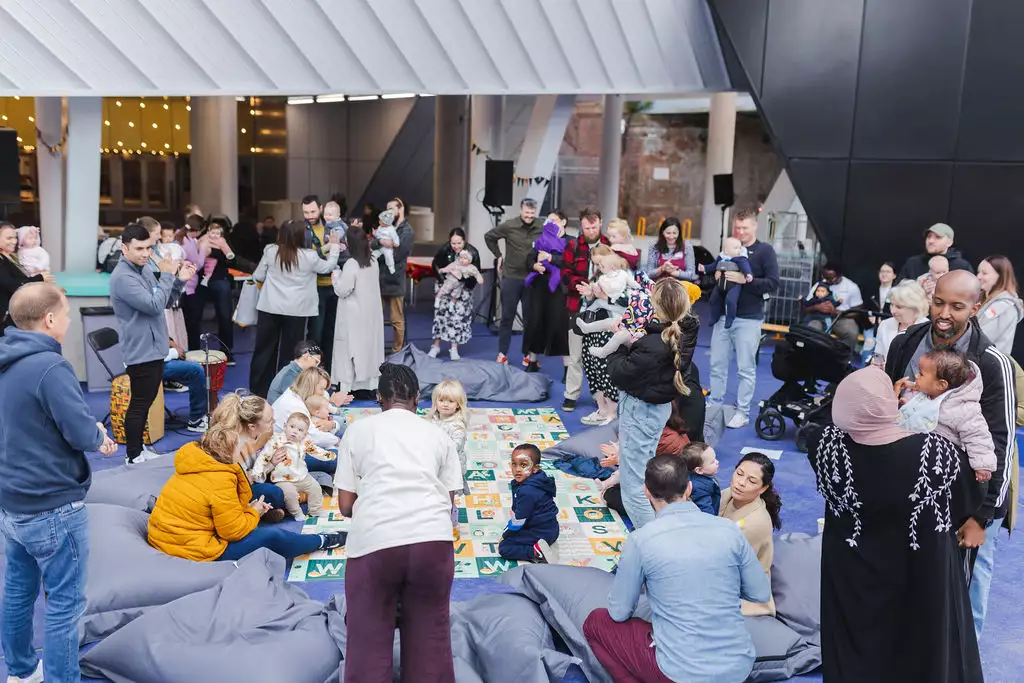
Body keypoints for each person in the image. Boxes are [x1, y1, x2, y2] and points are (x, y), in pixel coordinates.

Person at [808, 367, 983, 683]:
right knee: (916, 650)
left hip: (851, 575)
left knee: (855, 648)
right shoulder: (934, 452)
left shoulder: (824, 445)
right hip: (918, 574)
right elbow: (965, 503)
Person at [883, 270, 1014, 638]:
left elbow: (1000, 444)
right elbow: (887, 407)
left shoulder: (991, 363)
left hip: (964, 500)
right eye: (939, 302)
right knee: (911, 578)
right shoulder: (906, 343)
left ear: (976, 307)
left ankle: (961, 663)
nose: (944, 313)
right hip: (908, 491)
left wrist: (982, 517)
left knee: (966, 588)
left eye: (957, 306)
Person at [0, 283, 117, 683]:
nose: (67, 321)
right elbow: (79, 431)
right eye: (65, 314)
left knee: (18, 594)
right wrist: (99, 436)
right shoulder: (50, 367)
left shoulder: (6, 359)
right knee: (65, 604)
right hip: (52, 504)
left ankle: (19, 672)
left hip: (12, 501)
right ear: (50, 319)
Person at [583, 455, 771, 683]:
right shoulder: (729, 530)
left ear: (646, 492)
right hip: (739, 666)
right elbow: (760, 593)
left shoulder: (641, 540)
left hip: (679, 672)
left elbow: (619, 612)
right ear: (689, 487)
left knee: (596, 622)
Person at [335, 363, 463, 683]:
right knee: (430, 641)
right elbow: (448, 503)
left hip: (375, 542)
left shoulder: (358, 431)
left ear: (379, 397)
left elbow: (346, 506)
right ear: (418, 398)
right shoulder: (438, 434)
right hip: (432, 542)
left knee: (367, 643)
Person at [147, 394, 345, 562]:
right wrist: (253, 513)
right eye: (269, 421)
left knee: (273, 494)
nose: (273, 424)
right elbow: (233, 532)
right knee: (272, 536)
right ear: (250, 427)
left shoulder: (206, 452)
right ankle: (324, 540)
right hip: (189, 547)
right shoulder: (222, 474)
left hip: (176, 534)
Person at [607, 278, 697, 529]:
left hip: (641, 410)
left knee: (633, 488)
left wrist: (620, 344)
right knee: (645, 471)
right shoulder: (684, 331)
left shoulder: (653, 344)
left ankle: (653, 542)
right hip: (656, 409)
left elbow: (619, 372)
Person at [110, 223, 196, 464]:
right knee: (139, 404)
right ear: (124, 248)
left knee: (145, 402)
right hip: (140, 350)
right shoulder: (123, 278)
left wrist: (179, 281)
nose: (145, 254)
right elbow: (154, 305)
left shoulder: (143, 268)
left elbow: (164, 300)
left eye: (148, 248)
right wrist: (167, 275)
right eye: (139, 249)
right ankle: (133, 455)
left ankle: (138, 451)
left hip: (154, 347)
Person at [249, 219, 340, 399]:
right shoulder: (309, 256)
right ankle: (286, 390)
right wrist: (335, 247)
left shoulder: (270, 250)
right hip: (297, 310)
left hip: (270, 307)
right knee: (291, 353)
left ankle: (259, 389)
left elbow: (258, 275)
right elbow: (328, 267)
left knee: (264, 349)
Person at [708, 209, 780, 429]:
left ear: (755, 227)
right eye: (737, 227)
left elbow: (773, 283)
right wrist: (717, 276)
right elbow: (714, 274)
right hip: (723, 316)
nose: (740, 231)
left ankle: (743, 411)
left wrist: (745, 280)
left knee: (745, 368)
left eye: (744, 227)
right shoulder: (728, 248)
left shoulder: (765, 251)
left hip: (749, 318)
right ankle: (714, 405)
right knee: (716, 365)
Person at [895, 349, 994, 482]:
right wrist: (904, 405)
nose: (916, 376)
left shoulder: (964, 409)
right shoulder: (927, 392)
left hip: (937, 463)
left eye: (921, 374)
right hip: (911, 455)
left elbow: (977, 436)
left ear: (941, 384)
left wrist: (983, 465)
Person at [720, 452, 781, 617]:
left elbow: (729, 566)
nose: (741, 483)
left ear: (763, 488)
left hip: (745, 590)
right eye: (739, 474)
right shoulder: (727, 494)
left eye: (751, 480)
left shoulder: (755, 522)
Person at [485, 198, 544, 364]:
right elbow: (489, 237)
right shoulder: (509, 225)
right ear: (521, 211)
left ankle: (528, 355)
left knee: (530, 320)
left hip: (532, 279)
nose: (529, 216)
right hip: (511, 277)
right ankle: (502, 354)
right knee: (507, 318)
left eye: (532, 213)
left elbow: (554, 240)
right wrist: (498, 255)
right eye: (526, 213)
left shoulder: (541, 226)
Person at [562, 207, 608, 412]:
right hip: (577, 305)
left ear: (600, 222)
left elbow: (619, 272)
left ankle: (600, 395)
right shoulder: (572, 245)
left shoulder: (609, 246)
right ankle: (571, 395)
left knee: (601, 354)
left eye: (594, 226)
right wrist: (579, 286)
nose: (590, 231)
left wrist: (598, 288)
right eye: (586, 227)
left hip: (603, 308)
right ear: (581, 225)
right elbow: (565, 273)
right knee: (575, 354)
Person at [577, 246, 630, 425]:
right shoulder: (599, 277)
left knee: (605, 371)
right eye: (596, 264)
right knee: (591, 368)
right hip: (592, 327)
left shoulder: (623, 277)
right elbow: (590, 300)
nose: (599, 268)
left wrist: (604, 297)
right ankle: (601, 408)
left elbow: (627, 301)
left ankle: (612, 412)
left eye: (601, 263)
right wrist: (590, 295)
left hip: (610, 330)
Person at [331, 225, 384, 395]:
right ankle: (369, 386)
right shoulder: (373, 261)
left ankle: (347, 387)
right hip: (371, 314)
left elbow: (343, 290)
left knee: (349, 350)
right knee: (369, 350)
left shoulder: (351, 264)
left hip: (352, 316)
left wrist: (335, 277)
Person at [251, 413, 328, 521]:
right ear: (285, 426)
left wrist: (328, 455)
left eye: (300, 430)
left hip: (301, 476)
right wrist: (257, 472)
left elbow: (316, 451)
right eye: (292, 427)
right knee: (289, 494)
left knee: (315, 488)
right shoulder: (277, 441)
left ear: (305, 434)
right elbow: (264, 457)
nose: (295, 431)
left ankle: (315, 510)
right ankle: (296, 512)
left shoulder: (304, 442)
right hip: (283, 479)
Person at [522, 211, 571, 372]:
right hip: (539, 287)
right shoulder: (541, 237)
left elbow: (570, 262)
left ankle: (567, 368)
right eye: (548, 220)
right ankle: (532, 361)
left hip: (560, 289)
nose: (550, 222)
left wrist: (551, 258)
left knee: (560, 325)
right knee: (535, 322)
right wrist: (534, 265)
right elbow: (530, 258)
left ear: (563, 222)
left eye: (554, 220)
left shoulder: (571, 242)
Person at [499, 443, 559, 563]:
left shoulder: (527, 491)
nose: (517, 470)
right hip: (552, 528)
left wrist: (505, 535)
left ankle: (536, 553)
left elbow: (519, 520)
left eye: (523, 465)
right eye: (514, 464)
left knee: (504, 548)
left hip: (541, 532)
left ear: (535, 468)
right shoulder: (538, 479)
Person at [429, 228, 483, 359]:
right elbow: (435, 264)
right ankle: (435, 346)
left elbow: (476, 274)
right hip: (445, 284)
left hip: (462, 289)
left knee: (457, 318)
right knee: (440, 315)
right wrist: (443, 280)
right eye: (453, 243)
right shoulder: (444, 249)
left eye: (459, 243)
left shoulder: (473, 252)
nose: (456, 246)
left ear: (464, 241)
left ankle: (454, 348)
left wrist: (462, 279)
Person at [299, 195, 338, 365]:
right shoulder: (302, 231)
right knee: (315, 332)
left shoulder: (335, 226)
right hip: (314, 287)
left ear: (321, 208)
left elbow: (344, 253)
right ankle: (311, 369)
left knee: (332, 332)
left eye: (313, 211)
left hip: (335, 286)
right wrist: (328, 248)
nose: (309, 215)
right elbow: (306, 259)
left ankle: (329, 369)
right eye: (306, 212)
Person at [430, 378, 469, 538]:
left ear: (458, 404)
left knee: (449, 497)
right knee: (435, 494)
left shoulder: (457, 424)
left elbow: (456, 445)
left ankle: (452, 525)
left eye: (450, 401)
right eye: (441, 400)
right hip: (435, 464)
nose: (445, 404)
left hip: (452, 467)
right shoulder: (433, 419)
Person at [377, 197, 414, 353]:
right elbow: (375, 248)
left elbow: (398, 254)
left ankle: (397, 351)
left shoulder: (407, 231)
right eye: (387, 208)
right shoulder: (385, 227)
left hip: (396, 280)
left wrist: (385, 246)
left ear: (400, 209)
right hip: (380, 279)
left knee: (396, 320)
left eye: (392, 208)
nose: (388, 212)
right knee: (375, 319)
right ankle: (376, 349)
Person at [272, 367, 341, 450]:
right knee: (338, 454)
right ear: (310, 386)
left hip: (294, 440)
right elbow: (314, 437)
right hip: (286, 448)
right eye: (321, 389)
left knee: (340, 422)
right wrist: (337, 440)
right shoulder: (296, 406)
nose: (323, 393)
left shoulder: (294, 392)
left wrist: (332, 425)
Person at [0, 222, 52, 329]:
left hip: (15, 315)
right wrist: (39, 278)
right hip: (5, 321)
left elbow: (21, 280)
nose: (13, 241)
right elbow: (10, 284)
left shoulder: (11, 256)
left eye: (15, 237)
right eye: (9, 238)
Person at [976, 254, 1023, 355]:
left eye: (984, 273)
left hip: (988, 366)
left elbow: (983, 338)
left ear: (1000, 276)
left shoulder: (1005, 307)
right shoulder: (980, 299)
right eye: (978, 272)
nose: (978, 276)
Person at [873, 280, 929, 364]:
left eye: (899, 307)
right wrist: (877, 363)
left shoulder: (927, 330)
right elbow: (878, 355)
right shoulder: (885, 325)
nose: (893, 311)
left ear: (914, 307)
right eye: (891, 304)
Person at [897, 223, 973, 282]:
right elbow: (898, 292)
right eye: (929, 236)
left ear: (949, 242)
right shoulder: (913, 263)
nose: (930, 241)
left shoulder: (962, 267)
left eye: (938, 237)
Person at [164, 336, 209, 432]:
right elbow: (149, 356)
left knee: (188, 362)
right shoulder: (140, 323)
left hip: (156, 360)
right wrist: (175, 352)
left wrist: (171, 342)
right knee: (196, 371)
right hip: (148, 366)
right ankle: (196, 420)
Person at [710, 236, 753, 329]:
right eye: (735, 248)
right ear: (726, 250)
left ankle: (730, 318)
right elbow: (714, 266)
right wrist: (705, 268)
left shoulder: (740, 258)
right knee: (713, 299)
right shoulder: (721, 257)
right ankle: (714, 316)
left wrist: (748, 274)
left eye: (739, 248)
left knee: (730, 301)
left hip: (733, 286)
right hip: (720, 284)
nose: (738, 250)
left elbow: (745, 266)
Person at [267, 340, 322, 406]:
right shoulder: (289, 374)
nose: (317, 366)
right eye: (316, 362)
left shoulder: (294, 371)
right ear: (307, 356)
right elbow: (299, 401)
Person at [644, 216, 698, 282]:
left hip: (681, 287)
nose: (671, 237)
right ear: (662, 232)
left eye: (674, 233)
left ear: (679, 233)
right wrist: (662, 268)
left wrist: (675, 273)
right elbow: (649, 274)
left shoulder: (687, 246)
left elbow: (692, 275)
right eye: (668, 233)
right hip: (660, 286)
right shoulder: (654, 246)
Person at [680, 442, 721, 515]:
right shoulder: (700, 489)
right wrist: (714, 522)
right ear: (699, 470)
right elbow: (706, 512)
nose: (717, 462)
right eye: (712, 462)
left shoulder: (698, 477)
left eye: (715, 458)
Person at [370, 208, 401, 275]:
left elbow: (395, 237)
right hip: (380, 246)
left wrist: (396, 243)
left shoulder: (391, 229)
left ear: (386, 222)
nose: (379, 221)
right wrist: (374, 233)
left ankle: (391, 267)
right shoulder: (380, 227)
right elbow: (378, 235)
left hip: (387, 247)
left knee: (388, 256)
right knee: (374, 254)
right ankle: (371, 265)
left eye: (380, 220)